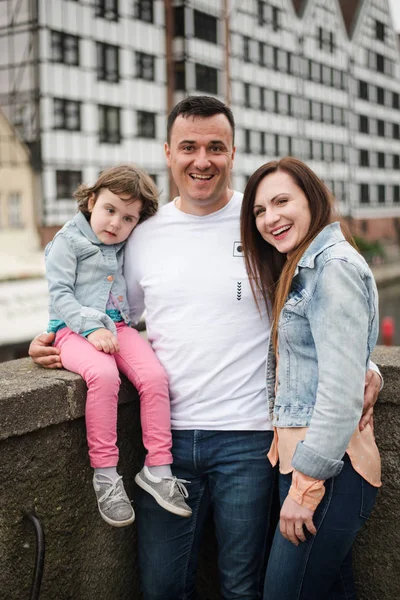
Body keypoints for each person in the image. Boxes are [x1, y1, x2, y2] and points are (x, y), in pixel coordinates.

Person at [30, 97, 381, 599]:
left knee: (241, 586)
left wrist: (365, 365)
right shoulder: (142, 233)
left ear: (232, 153)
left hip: (250, 439)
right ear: (169, 152)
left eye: (215, 147)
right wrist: (60, 338)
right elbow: (113, 315)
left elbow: (319, 302)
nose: (202, 160)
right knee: (162, 586)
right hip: (165, 443)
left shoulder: (263, 222)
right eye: (189, 146)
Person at [240, 157, 381, 600]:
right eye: (260, 210)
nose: (270, 218)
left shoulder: (331, 267)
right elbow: (335, 354)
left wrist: (305, 487)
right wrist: (369, 368)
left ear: (312, 199)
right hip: (311, 465)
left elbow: (340, 394)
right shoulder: (303, 266)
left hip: (328, 472)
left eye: (282, 201)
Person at [44, 164, 191, 528]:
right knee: (104, 376)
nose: (115, 223)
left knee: (155, 377)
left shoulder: (126, 242)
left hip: (120, 327)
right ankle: (106, 475)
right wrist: (90, 329)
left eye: (128, 218)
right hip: (73, 330)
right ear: (92, 200)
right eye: (110, 210)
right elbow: (60, 294)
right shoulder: (66, 241)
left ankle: (158, 467)